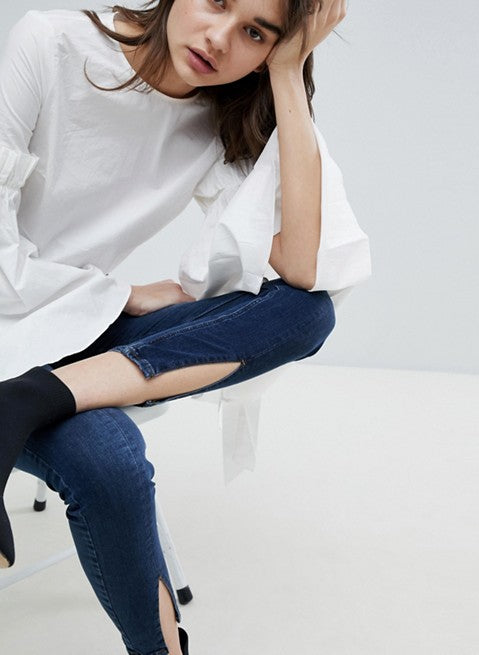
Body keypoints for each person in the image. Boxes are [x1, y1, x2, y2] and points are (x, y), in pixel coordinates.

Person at [0, 0, 370, 652]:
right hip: (24, 324)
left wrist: (289, 73)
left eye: (254, 31)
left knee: (305, 311)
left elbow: (301, 263)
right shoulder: (49, 45)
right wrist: (116, 294)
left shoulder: (217, 115)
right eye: (218, 1)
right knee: (110, 461)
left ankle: (26, 400)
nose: (220, 38)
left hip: (75, 338)